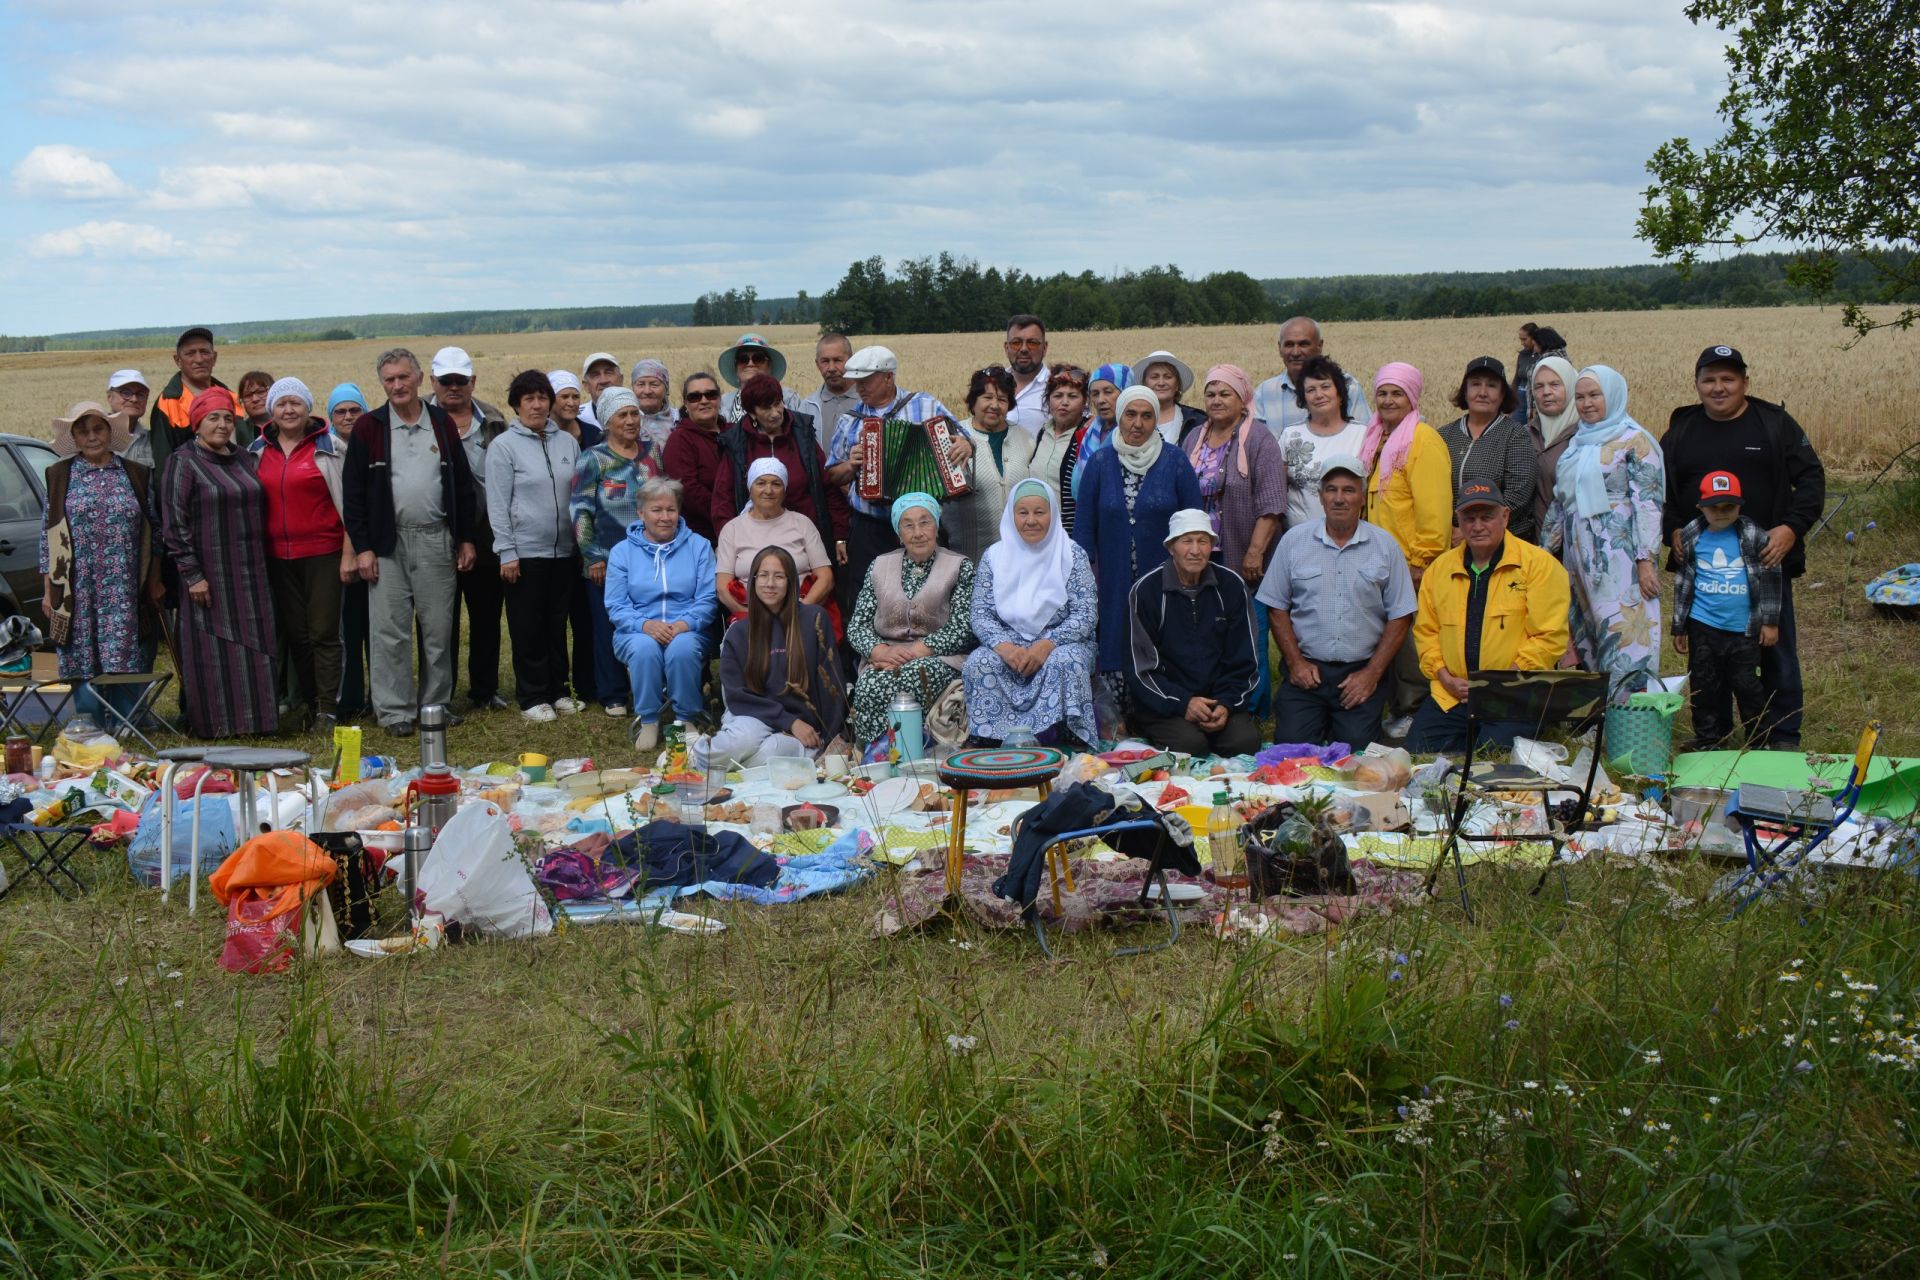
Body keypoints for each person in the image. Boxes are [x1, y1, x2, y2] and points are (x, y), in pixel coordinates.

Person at [1660, 344, 1824, 749]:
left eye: (1728, 379)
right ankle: (1713, 737)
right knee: (1707, 659)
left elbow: (1812, 480)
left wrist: (1791, 529)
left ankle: (1779, 737)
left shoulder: (1774, 423)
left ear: (1745, 383)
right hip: (1705, 573)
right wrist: (1673, 529)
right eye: (1709, 379)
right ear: (1697, 384)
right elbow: (1657, 491)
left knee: (1774, 650)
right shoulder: (1681, 429)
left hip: (1765, 562)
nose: (1718, 388)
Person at [341, 347, 478, 738]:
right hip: (387, 544)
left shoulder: (441, 423)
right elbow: (354, 495)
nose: (397, 385)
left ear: (421, 378)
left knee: (438, 628)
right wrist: (364, 547)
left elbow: (463, 486)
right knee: (390, 632)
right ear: (382, 384)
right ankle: (395, 710)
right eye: (389, 379)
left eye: (404, 377)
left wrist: (465, 537)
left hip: (437, 538)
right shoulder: (370, 427)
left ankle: (435, 705)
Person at [1260, 456, 1416, 750]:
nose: (1339, 498)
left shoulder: (1385, 546)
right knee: (1293, 748)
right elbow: (1276, 606)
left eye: (1349, 490)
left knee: (1355, 750)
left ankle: (1346, 720)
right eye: (1331, 490)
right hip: (1308, 672)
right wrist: (1295, 663)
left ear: (1362, 496)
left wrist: (1371, 674)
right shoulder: (1294, 541)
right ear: (1320, 497)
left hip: (1359, 671)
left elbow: (1401, 615)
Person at [1407, 482, 1571, 752]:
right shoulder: (1439, 570)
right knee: (1418, 750)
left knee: (1491, 755)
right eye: (1469, 519)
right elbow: (1425, 632)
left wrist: (1497, 683)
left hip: (1512, 692)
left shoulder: (1538, 565)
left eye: (1487, 517)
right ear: (1458, 520)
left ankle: (1528, 726)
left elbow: (1550, 637)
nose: (1477, 526)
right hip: (1452, 693)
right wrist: (1444, 676)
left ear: (1505, 516)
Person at [822, 345, 971, 626]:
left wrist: (965, 444)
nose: (859, 387)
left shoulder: (925, 405)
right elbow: (832, 475)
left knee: (931, 597)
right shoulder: (850, 420)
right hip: (870, 527)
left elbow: (962, 438)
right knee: (868, 599)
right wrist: (850, 466)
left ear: (888, 378)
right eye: (857, 381)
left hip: (922, 525)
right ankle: (869, 662)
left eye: (867, 380)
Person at [1541, 365, 1665, 702]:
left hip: (1620, 555)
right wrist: (1543, 553)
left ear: (1611, 395)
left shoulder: (1635, 441)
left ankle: (1629, 714)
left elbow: (1648, 503)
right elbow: (1561, 501)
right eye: (1579, 397)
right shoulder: (1576, 444)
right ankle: (1599, 713)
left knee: (1623, 629)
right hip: (1578, 554)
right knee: (1589, 630)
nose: (1586, 403)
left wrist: (1645, 561)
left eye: (1594, 395)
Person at [161, 388, 278, 738]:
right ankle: (218, 724)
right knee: (213, 647)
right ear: (197, 423)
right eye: (213, 417)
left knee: (255, 643)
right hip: (208, 572)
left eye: (228, 417)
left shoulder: (243, 458)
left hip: (250, 570)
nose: (222, 424)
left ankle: (259, 721)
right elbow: (174, 524)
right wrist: (192, 575)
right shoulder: (183, 462)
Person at [39, 403, 161, 723]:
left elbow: (154, 531)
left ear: (110, 432)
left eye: (99, 429)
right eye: (84, 431)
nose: (92, 437)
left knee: (123, 652)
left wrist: (154, 580)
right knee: (80, 654)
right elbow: (47, 536)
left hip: (123, 587)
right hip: (76, 587)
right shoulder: (59, 475)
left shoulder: (135, 473)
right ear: (75, 438)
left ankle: (124, 726)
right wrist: (48, 591)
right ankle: (89, 729)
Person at [1074, 386, 1203, 686]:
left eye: (1147, 416)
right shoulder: (1101, 462)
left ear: (1155, 419)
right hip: (1111, 575)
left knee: (1164, 634)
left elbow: (1194, 520)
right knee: (1114, 633)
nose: (1138, 423)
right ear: (1119, 416)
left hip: (1164, 574)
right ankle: (1116, 712)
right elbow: (1083, 527)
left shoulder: (1175, 461)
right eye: (1130, 414)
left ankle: (1164, 704)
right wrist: (1084, 573)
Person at [964, 479, 1099, 746]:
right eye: (1023, 512)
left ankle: (1067, 740)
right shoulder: (994, 557)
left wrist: (1046, 645)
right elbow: (979, 614)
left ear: (1053, 514)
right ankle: (991, 742)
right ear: (1011, 515)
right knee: (979, 662)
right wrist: (1004, 647)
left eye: (1040, 512)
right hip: (1007, 646)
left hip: (1060, 643)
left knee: (1067, 660)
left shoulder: (1072, 554)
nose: (1031, 521)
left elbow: (1086, 613)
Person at [247, 377, 347, 732]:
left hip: (323, 552)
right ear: (271, 411)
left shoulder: (330, 446)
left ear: (308, 408)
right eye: (281, 404)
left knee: (323, 632)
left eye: (296, 403)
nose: (288, 410)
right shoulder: (256, 450)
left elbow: (348, 503)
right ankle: (307, 702)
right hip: (276, 556)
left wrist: (349, 552)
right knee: (296, 634)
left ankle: (327, 709)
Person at [691, 545, 847, 770]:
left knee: (769, 754)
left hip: (803, 728)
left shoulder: (813, 619)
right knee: (736, 744)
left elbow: (831, 684)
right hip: (754, 718)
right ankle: (694, 756)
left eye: (779, 576)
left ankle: (725, 766)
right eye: (763, 575)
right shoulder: (739, 632)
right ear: (752, 581)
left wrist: (831, 741)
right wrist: (788, 721)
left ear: (791, 582)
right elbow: (736, 696)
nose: (770, 583)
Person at [487, 369, 583, 722]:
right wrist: (507, 551)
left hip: (564, 551)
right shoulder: (503, 447)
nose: (537, 405)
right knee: (528, 625)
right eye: (529, 399)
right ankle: (531, 695)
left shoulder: (567, 443)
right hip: (525, 552)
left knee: (557, 624)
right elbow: (497, 503)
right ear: (516, 405)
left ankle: (558, 689)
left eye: (543, 397)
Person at [1124, 509, 1261, 756]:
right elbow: (1140, 668)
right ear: (1171, 547)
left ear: (1212, 547)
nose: (1195, 550)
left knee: (1245, 742)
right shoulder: (1146, 591)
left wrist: (1226, 705)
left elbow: (1245, 659)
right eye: (1187, 541)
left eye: (1203, 541)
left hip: (1217, 700)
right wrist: (1183, 703)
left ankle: (1212, 727)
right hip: (1168, 702)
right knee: (1191, 745)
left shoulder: (1231, 586)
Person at [1361, 362, 1452, 726]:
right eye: (1382, 392)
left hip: (1409, 561)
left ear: (1412, 397)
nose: (1387, 400)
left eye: (1396, 393)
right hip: (1378, 557)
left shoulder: (1422, 440)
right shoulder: (1374, 440)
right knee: (1388, 637)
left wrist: (1423, 561)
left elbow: (1435, 508)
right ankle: (1394, 706)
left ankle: (1414, 711)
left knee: (1411, 641)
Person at [848, 492, 976, 748]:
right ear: (899, 533)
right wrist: (879, 650)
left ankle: (916, 751)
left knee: (914, 675)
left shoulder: (960, 566)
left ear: (937, 526)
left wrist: (917, 650)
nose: (918, 532)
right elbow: (858, 625)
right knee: (870, 682)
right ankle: (876, 754)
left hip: (939, 658)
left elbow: (964, 627)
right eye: (908, 525)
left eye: (925, 522)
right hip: (885, 658)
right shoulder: (879, 566)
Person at [1671, 471, 1783, 749]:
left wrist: (1769, 622)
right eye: (1714, 508)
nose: (1721, 514)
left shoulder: (1754, 536)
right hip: (1703, 626)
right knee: (1704, 685)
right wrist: (1679, 626)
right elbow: (1684, 583)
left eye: (1728, 507)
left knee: (1748, 687)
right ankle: (1710, 738)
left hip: (1743, 630)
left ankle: (1759, 741)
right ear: (1701, 507)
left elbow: (1771, 578)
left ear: (1740, 506)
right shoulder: (1691, 536)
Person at [605, 477, 718, 751]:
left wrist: (684, 623)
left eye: (671, 509)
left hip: (688, 628)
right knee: (644, 649)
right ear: (641, 513)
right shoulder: (622, 552)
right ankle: (649, 720)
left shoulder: (699, 546)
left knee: (682, 648)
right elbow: (616, 604)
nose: (665, 517)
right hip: (637, 630)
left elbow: (707, 599)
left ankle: (685, 717)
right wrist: (645, 625)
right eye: (657, 510)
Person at [571, 385, 661, 717]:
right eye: (622, 415)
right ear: (607, 422)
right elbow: (580, 510)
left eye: (634, 413)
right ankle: (612, 693)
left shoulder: (653, 453)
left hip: (650, 557)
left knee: (648, 621)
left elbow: (665, 501)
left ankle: (649, 685)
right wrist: (592, 556)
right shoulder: (593, 459)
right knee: (607, 624)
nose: (630, 420)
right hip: (607, 561)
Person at [429, 346, 510, 713]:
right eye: (445, 380)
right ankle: (438, 695)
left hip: (485, 532)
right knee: (437, 623)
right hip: (434, 533)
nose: (453, 387)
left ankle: (484, 689)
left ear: (472, 381)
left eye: (460, 380)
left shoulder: (493, 420)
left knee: (486, 617)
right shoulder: (419, 417)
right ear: (433, 381)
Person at [711, 373, 845, 548]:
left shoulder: (803, 434)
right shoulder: (736, 444)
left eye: (777, 403)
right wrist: (731, 543)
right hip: (755, 543)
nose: (775, 413)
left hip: (807, 539)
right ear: (752, 412)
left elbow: (828, 486)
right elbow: (723, 499)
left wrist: (839, 536)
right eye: (766, 408)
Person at [1185, 362, 1287, 586]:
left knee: (1246, 615)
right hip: (1198, 553)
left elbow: (1272, 504)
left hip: (1243, 552)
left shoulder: (1260, 440)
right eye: (1210, 394)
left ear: (1242, 400)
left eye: (1225, 394)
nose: (1216, 400)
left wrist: (1255, 552)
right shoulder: (1194, 438)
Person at [715, 457, 837, 625]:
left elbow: (826, 578)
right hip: (750, 615)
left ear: (784, 490)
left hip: (800, 610)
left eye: (776, 484)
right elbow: (722, 587)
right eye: (761, 483)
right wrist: (747, 614)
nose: (768, 490)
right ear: (750, 488)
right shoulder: (732, 529)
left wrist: (800, 610)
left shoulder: (802, 523)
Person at [1438, 356, 1538, 542]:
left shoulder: (1515, 435)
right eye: (1475, 384)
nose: (1482, 392)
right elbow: (1431, 489)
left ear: (1502, 395)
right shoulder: (1444, 435)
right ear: (1465, 391)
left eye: (1492, 386)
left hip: (1502, 541)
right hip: (1449, 540)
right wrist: (1445, 528)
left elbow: (1518, 493)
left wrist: (1473, 530)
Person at [1278, 355, 1370, 526]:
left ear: (1340, 394)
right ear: (1303, 399)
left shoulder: (1363, 435)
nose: (1319, 395)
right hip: (1300, 539)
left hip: (1352, 537)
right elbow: (1277, 490)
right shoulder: (1290, 436)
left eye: (1325, 387)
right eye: (1311, 390)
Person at [327, 383, 373, 720]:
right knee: (346, 630)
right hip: (337, 553)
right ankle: (350, 697)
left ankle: (378, 696)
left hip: (373, 550)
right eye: (340, 412)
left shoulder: (374, 445)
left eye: (354, 410)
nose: (348, 417)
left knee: (375, 629)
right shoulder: (324, 450)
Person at [1003, 362, 1091, 530]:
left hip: (1070, 532)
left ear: (1084, 401)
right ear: (1048, 399)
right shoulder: (1043, 432)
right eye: (1058, 396)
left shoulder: (1088, 437)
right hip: (1038, 530)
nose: (1064, 402)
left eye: (1073, 396)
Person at [1253, 317, 1370, 440]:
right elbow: (1257, 444)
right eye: (1289, 345)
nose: (1295, 352)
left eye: (1303, 344)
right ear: (1279, 348)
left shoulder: (1348, 386)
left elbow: (1364, 437)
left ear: (1320, 346)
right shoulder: (1265, 392)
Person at [945, 365, 1017, 559]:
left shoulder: (1026, 439)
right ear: (973, 401)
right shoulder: (952, 439)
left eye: (1002, 399)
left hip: (1017, 561)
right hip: (968, 560)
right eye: (987, 397)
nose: (995, 405)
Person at [148, 326, 229, 478]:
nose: (199, 359)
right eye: (190, 353)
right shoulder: (168, 403)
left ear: (215, 357)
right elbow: (163, 466)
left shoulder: (229, 396)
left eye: (204, 352)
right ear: (177, 360)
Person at [662, 371, 727, 541]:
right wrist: (726, 515)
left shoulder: (734, 432)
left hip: (742, 527)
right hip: (702, 537)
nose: (704, 401)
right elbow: (688, 490)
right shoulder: (680, 440)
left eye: (711, 394)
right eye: (694, 397)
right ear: (685, 403)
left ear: (719, 398)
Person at [1524, 356, 1579, 535]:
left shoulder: (1586, 436)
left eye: (1555, 384)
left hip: (1576, 545)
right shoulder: (1524, 434)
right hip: (1533, 546)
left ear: (1571, 387)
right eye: (1538, 386)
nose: (1546, 392)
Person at [717, 333, 805, 423]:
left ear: (769, 366)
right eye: (743, 359)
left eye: (758, 358)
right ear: (736, 367)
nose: (750, 364)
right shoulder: (723, 403)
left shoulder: (789, 399)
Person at [796, 335, 859, 452]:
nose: (831, 368)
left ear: (852, 360)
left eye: (837, 360)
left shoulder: (869, 402)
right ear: (817, 364)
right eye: (825, 361)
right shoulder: (807, 407)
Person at [1132, 350, 1207, 444]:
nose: (1161, 383)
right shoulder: (1131, 421)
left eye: (1168, 377)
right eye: (1154, 377)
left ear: (1177, 384)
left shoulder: (1196, 420)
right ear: (1145, 384)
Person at [1003, 314, 1051, 435]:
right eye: (1016, 343)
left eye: (1032, 343)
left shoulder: (1058, 387)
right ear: (1006, 348)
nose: (1024, 349)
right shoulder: (991, 384)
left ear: (1044, 348)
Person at [106, 369, 155, 467]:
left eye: (140, 394)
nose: (134, 399)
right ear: (110, 397)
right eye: (125, 393)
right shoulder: (93, 437)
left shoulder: (152, 440)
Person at [629, 358, 675, 456]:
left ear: (666, 388)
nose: (647, 391)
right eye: (641, 384)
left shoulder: (678, 419)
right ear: (632, 388)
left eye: (654, 385)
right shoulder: (626, 422)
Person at [546, 370, 604, 450]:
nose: (571, 403)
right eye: (565, 397)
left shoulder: (594, 435)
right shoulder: (538, 435)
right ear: (550, 399)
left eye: (575, 397)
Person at [578, 352, 621, 433]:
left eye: (609, 373)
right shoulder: (577, 419)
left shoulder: (637, 416)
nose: (603, 380)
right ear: (586, 385)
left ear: (620, 380)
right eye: (595, 375)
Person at [1514, 323, 1541, 423]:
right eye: (1520, 339)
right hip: (1520, 403)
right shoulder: (1522, 355)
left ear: (1534, 338)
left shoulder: (1542, 355)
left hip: (1535, 403)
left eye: (1524, 339)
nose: (1522, 343)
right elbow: (1516, 378)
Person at [236, 371, 275, 443]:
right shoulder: (237, 434)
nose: (255, 399)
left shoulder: (289, 428)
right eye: (248, 395)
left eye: (261, 392)